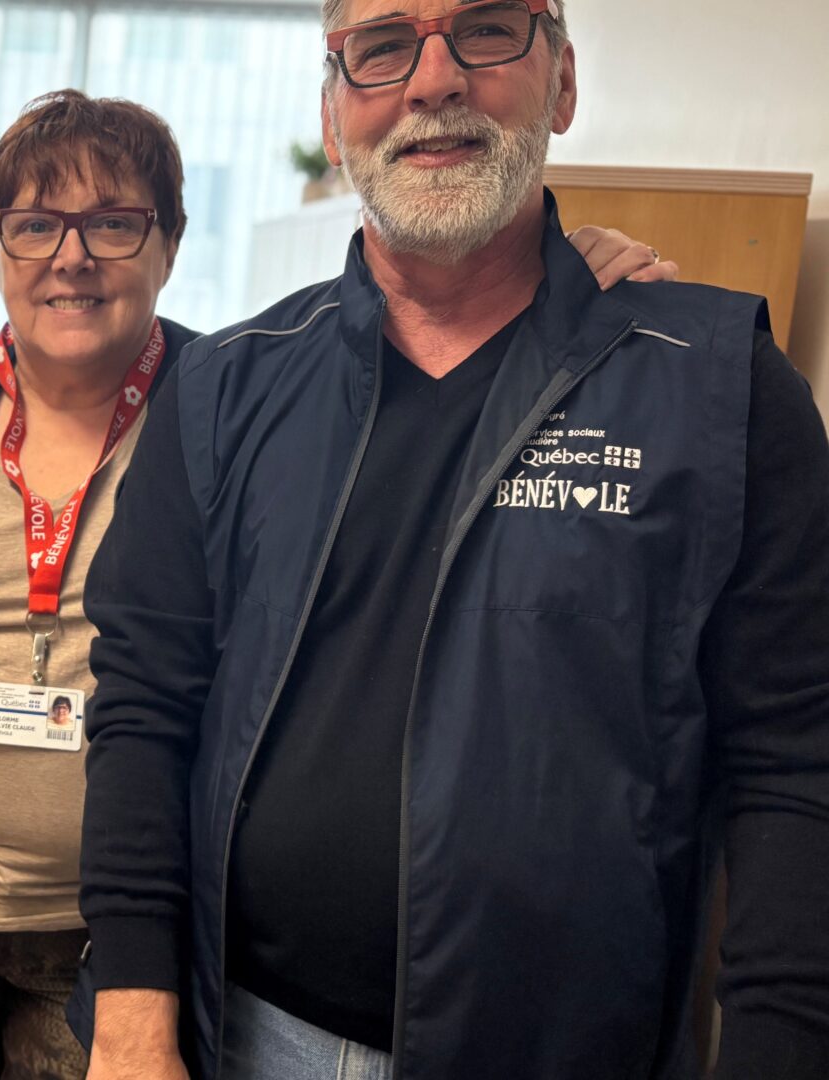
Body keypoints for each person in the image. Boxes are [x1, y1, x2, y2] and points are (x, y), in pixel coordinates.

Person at [0, 88, 669, 1080]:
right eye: (34, 225)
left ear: (172, 244)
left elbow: (435, 395)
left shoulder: (246, 407)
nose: (71, 257)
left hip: (129, 941)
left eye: (114, 222)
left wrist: (556, 278)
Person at [76, 2, 829, 1078]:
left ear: (561, 81)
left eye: (484, 29)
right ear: (335, 112)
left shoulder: (716, 390)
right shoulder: (221, 389)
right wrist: (135, 1024)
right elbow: (145, 710)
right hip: (237, 1037)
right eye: (383, 46)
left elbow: (795, 768)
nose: (433, 80)